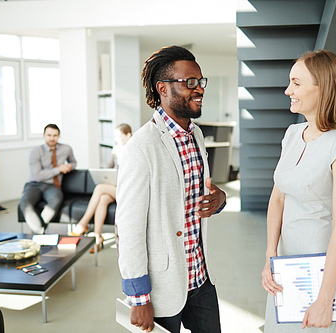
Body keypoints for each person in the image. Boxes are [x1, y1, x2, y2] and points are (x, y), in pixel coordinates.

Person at [116, 46, 227, 333]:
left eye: (200, 81)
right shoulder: (141, 147)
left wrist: (220, 199)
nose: (199, 89)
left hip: (201, 277)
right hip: (163, 287)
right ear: (163, 88)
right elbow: (129, 227)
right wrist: (138, 297)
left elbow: (199, 195)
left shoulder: (196, 135)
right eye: (189, 82)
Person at [261, 49, 336, 332]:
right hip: (285, 268)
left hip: (320, 274)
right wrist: (271, 256)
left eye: (296, 83)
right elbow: (278, 198)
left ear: (323, 87)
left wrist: (325, 299)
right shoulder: (292, 134)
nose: (287, 91)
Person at [68, 124, 132, 253]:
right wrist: (104, 174)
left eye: (119, 136)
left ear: (128, 135)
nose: (117, 139)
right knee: (102, 198)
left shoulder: (133, 149)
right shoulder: (116, 149)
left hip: (127, 189)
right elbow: (109, 167)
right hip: (116, 186)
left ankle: (82, 224)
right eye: (115, 137)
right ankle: (97, 237)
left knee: (99, 188)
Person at [19, 124, 76, 234]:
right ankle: (40, 231)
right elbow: (38, 175)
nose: (52, 138)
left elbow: (73, 162)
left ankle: (37, 230)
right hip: (34, 184)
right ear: (44, 135)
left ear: (59, 136)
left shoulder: (66, 149)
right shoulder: (36, 151)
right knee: (25, 202)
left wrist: (69, 167)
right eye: (49, 135)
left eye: (55, 135)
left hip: (52, 186)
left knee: (56, 199)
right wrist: (58, 169)